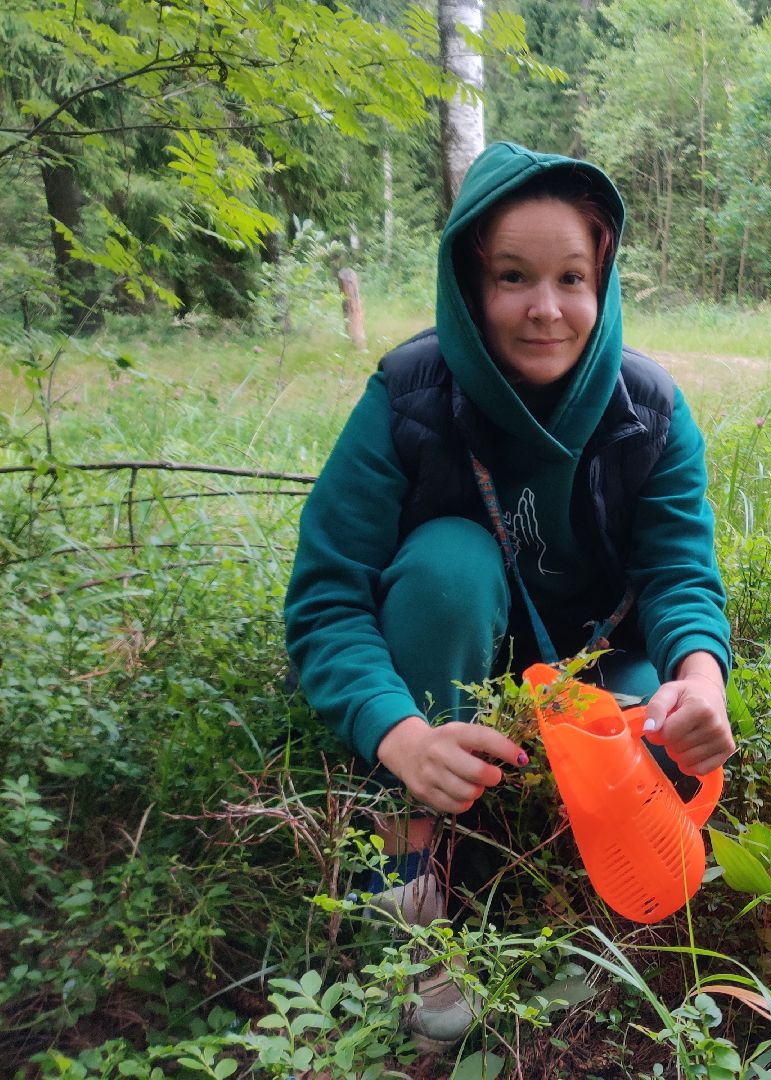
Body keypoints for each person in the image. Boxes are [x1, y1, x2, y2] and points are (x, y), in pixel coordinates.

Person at [283, 142, 734, 1043]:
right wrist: (398, 735)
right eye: (512, 277)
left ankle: (567, 901)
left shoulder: (650, 408)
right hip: (450, 668)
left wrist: (701, 674)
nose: (545, 308)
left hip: (594, 666)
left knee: (659, 719)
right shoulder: (410, 393)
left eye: (572, 277)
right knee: (449, 561)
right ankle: (408, 894)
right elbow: (327, 596)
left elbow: (681, 570)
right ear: (467, 284)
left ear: (601, 279)